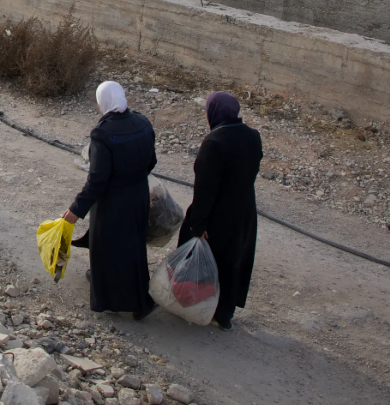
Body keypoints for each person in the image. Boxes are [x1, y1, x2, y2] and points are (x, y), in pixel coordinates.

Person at [62, 81, 157, 321]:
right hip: (138, 196)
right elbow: (151, 161)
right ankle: (140, 299)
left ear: (103, 101)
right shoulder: (143, 123)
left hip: (113, 202)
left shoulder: (102, 133)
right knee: (134, 248)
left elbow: (97, 180)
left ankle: (109, 299)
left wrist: (75, 211)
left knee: (107, 249)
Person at [178, 91, 263, 331]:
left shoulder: (214, 143)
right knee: (233, 262)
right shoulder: (253, 136)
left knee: (206, 260)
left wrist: (198, 224)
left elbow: (205, 189)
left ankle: (195, 303)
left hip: (219, 215)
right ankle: (224, 313)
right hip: (244, 211)